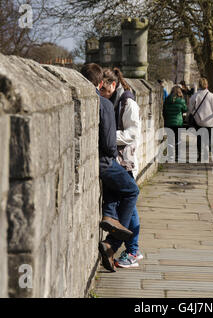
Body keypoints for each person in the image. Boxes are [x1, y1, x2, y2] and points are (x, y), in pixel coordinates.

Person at [81, 63, 140, 272]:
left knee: (116, 189)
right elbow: (108, 144)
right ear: (99, 83)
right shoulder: (104, 104)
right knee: (132, 190)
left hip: (91, 163)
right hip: (105, 162)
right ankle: (113, 243)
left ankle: (109, 215)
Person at [99, 67, 143, 268]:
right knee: (127, 204)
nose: (102, 95)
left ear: (113, 85)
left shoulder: (128, 103)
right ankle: (129, 249)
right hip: (114, 159)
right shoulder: (111, 100)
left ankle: (131, 250)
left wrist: (108, 137)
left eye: (105, 91)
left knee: (130, 204)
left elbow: (132, 133)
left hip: (124, 159)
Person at [188, 77, 213, 161]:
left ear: (199, 85)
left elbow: (190, 109)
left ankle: (200, 155)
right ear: (207, 85)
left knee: (199, 138)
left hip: (198, 121)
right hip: (209, 121)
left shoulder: (195, 96)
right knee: (208, 138)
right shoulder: (211, 95)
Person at [163, 86, 188, 160]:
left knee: (170, 140)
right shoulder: (181, 100)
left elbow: (164, 110)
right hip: (178, 123)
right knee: (178, 139)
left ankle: (170, 155)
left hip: (168, 122)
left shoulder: (167, 99)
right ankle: (178, 155)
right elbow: (185, 109)